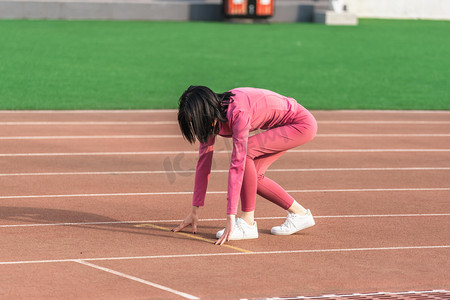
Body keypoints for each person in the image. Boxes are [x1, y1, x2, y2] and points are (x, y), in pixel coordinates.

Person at [172, 86, 317, 245]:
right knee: (253, 176)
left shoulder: (238, 113)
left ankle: (247, 223)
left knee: (246, 154)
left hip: (300, 124)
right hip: (281, 126)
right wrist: (195, 210)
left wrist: (231, 217)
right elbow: (204, 162)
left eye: (195, 122)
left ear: (205, 113)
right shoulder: (212, 119)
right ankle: (301, 214)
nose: (195, 127)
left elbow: (237, 165)